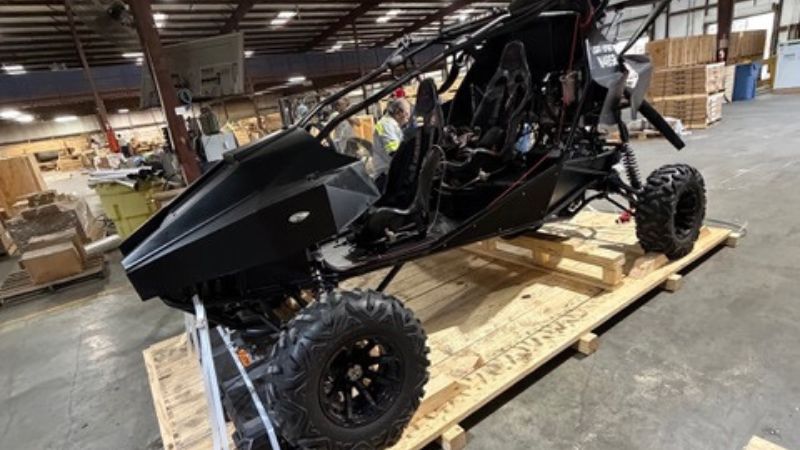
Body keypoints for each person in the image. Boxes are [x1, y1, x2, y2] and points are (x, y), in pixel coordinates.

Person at [372, 98, 411, 174]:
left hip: (391, 170)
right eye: (406, 114)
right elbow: (393, 152)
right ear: (398, 112)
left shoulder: (392, 124)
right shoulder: (386, 125)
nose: (407, 119)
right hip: (386, 173)